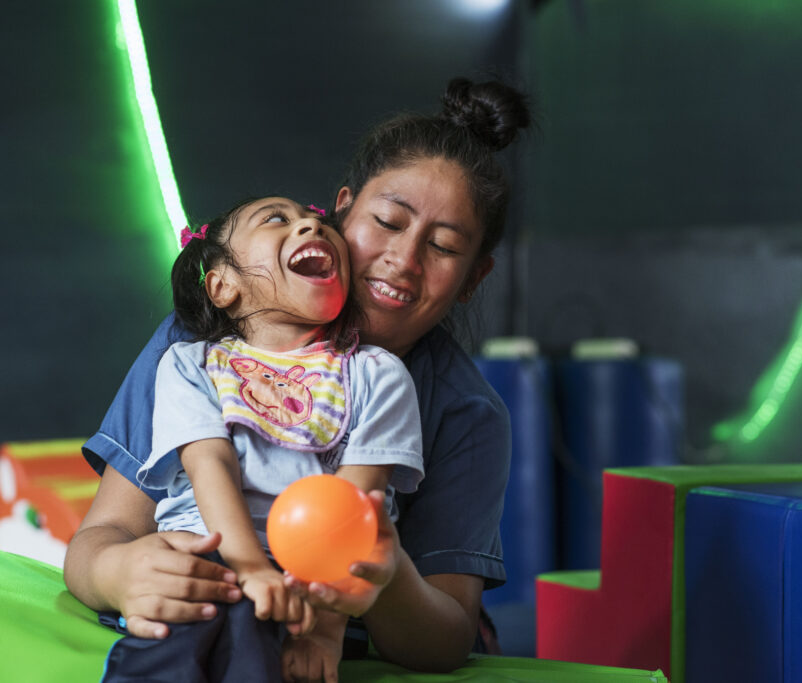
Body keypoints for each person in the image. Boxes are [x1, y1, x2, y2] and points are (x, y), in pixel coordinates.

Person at [64, 76, 531, 681]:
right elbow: (101, 537)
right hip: (215, 611)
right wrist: (118, 573)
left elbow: (447, 637)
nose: (404, 259)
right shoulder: (204, 347)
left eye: (442, 247)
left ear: (473, 278)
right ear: (339, 209)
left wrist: (380, 580)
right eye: (388, 221)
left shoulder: (462, 410)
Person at [98, 197, 426, 680]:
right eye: (277, 219)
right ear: (223, 285)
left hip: (307, 577)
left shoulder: (379, 376)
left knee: (253, 634)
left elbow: (355, 506)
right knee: (209, 626)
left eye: (317, 221)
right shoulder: (190, 365)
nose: (310, 225)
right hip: (203, 557)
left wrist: (324, 630)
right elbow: (209, 462)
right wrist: (249, 568)